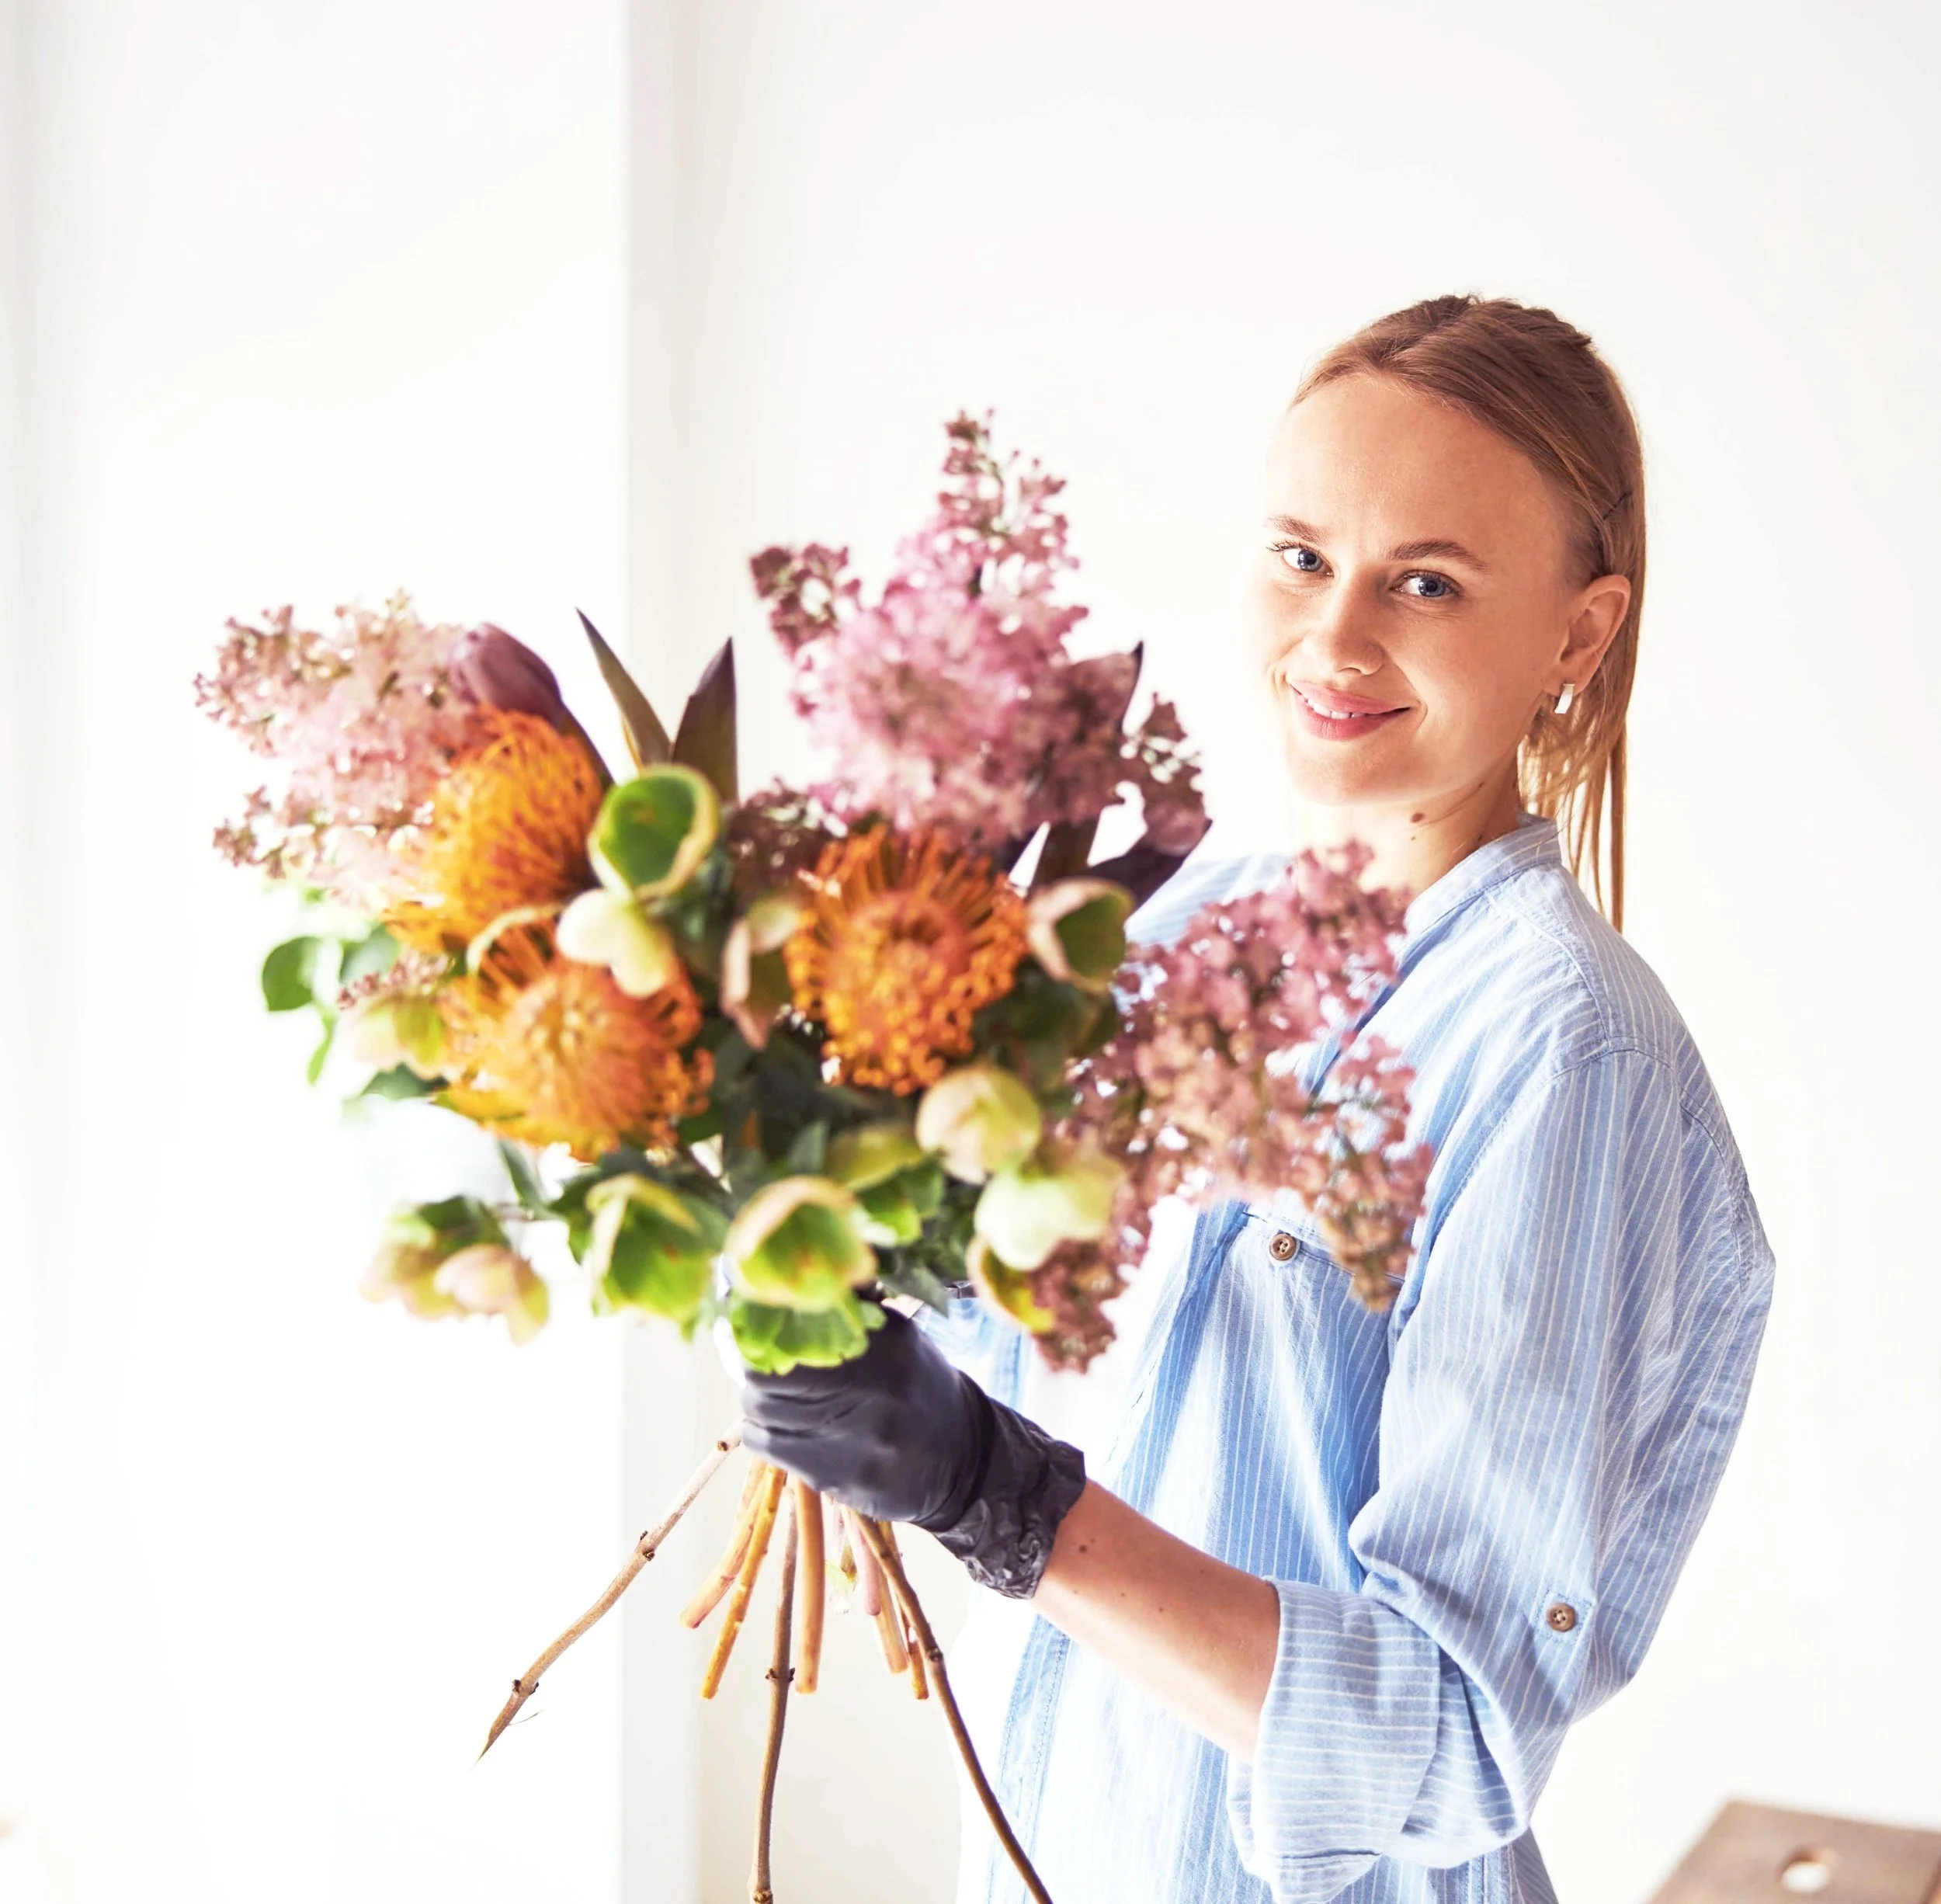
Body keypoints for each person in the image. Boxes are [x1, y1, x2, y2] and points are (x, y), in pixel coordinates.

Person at [739, 294, 1777, 1904]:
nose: (1334, 637)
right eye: (1300, 554)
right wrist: (839, 1232)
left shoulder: (1562, 1057)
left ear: (1576, 634)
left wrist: (1002, 1497)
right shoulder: (1163, 926)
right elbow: (1065, 1360)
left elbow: (1447, 1737)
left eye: (1422, 581)